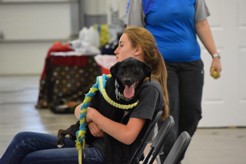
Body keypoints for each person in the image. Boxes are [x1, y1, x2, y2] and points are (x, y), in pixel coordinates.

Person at [0, 26, 169, 164]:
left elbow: (127, 136)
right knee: (23, 140)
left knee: (30, 160)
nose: (116, 50)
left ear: (137, 50)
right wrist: (91, 119)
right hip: (89, 140)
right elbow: (81, 107)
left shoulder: (149, 88)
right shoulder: (118, 80)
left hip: (104, 153)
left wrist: (95, 115)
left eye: (121, 45)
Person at [126, 0, 222, 162]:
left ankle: (173, 158)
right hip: (161, 65)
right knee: (169, 116)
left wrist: (215, 55)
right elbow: (133, 31)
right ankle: (167, 160)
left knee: (192, 114)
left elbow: (202, 23)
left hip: (191, 63)